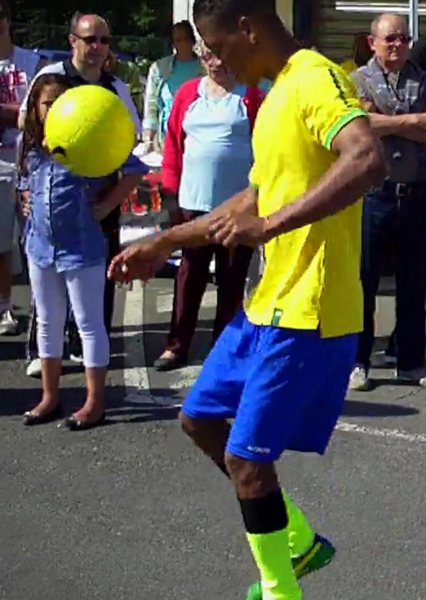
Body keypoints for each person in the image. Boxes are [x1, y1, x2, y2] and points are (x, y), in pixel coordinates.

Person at [108, 1, 384, 598]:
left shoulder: (315, 78)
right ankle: (298, 542)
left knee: (247, 460)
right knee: (199, 419)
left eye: (218, 47)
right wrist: (164, 240)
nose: (216, 62)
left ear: (248, 29)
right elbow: (253, 199)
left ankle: (280, 590)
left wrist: (272, 225)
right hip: (268, 304)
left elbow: (366, 158)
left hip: (309, 309)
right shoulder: (274, 96)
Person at [19, 73, 148, 429]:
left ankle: (94, 402)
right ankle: (49, 397)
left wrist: (106, 205)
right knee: (48, 321)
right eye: (47, 104)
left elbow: (134, 169)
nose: (53, 110)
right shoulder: (31, 146)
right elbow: (23, 180)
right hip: (40, 247)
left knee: (89, 323)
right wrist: (25, 198)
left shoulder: (90, 139)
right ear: (36, 108)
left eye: (60, 102)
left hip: (82, 247)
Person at [154, 41, 262, 371]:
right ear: (201, 57)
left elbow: (266, 149)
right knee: (189, 277)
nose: (216, 63)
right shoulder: (188, 93)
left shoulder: (252, 96)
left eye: (222, 55)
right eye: (209, 56)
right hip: (193, 203)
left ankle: (222, 350)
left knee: (232, 281)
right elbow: (173, 146)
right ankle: (176, 346)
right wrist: (170, 193)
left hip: (236, 208)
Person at [350, 13, 426, 391]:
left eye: (403, 39)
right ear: (372, 42)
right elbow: (358, 126)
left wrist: (385, 121)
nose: (398, 45)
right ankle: (358, 361)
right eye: (390, 38)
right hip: (372, 196)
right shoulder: (357, 80)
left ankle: (411, 362)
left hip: (415, 194)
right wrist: (411, 122)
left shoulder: (422, 79)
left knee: (414, 283)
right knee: (363, 283)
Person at [0, 0, 42, 335]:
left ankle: (44, 313)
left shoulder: (31, 62)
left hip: (31, 163)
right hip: (0, 166)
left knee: (38, 243)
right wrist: (20, 111)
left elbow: (40, 110)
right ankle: (4, 307)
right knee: (1, 244)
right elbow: (27, 111)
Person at [142, 21, 203, 151]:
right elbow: (151, 103)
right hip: (167, 137)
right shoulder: (159, 68)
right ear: (173, 43)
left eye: (186, 39)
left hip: (197, 135)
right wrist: (148, 138)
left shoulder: (205, 68)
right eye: (178, 40)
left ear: (192, 41)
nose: (183, 44)